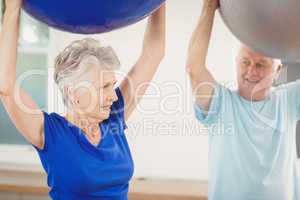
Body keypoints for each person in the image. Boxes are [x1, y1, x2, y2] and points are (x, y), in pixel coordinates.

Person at [0, 0, 165, 199]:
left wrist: (159, 2)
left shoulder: (114, 116)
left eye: (112, 85)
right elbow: (6, 87)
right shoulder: (51, 133)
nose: (113, 96)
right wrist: (12, 9)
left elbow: (154, 52)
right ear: (73, 93)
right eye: (104, 87)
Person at [186, 0, 299, 199]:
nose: (250, 71)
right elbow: (194, 68)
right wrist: (209, 7)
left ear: (278, 70)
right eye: (245, 62)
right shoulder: (220, 103)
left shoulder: (288, 100)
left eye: (261, 65)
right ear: (236, 62)